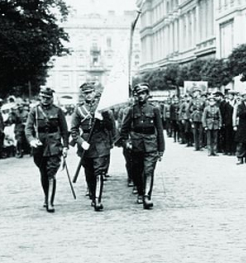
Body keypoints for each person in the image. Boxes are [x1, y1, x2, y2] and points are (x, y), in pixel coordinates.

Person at [70, 81, 115, 212]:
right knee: (89, 172)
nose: (88, 95)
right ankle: (92, 194)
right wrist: (80, 142)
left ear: (95, 92)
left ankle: (97, 199)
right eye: (86, 93)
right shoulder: (79, 110)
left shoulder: (103, 108)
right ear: (83, 95)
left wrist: (105, 116)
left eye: (90, 92)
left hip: (101, 142)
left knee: (99, 172)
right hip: (86, 144)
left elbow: (110, 127)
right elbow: (73, 130)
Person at [119, 83, 165, 210]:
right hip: (136, 144)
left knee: (149, 171)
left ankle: (147, 196)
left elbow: (159, 130)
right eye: (138, 94)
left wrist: (161, 149)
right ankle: (140, 192)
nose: (141, 96)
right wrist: (126, 141)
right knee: (137, 171)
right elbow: (124, 130)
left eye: (143, 93)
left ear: (147, 95)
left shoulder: (154, 109)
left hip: (151, 144)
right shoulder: (131, 110)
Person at [25, 85, 69, 212]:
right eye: (43, 97)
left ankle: (50, 202)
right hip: (39, 145)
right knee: (43, 172)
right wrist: (32, 140)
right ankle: (46, 197)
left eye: (47, 97)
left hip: (54, 144)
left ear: (51, 98)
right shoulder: (34, 111)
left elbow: (65, 131)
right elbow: (28, 128)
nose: (45, 99)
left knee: (51, 172)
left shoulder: (58, 111)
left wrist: (65, 146)